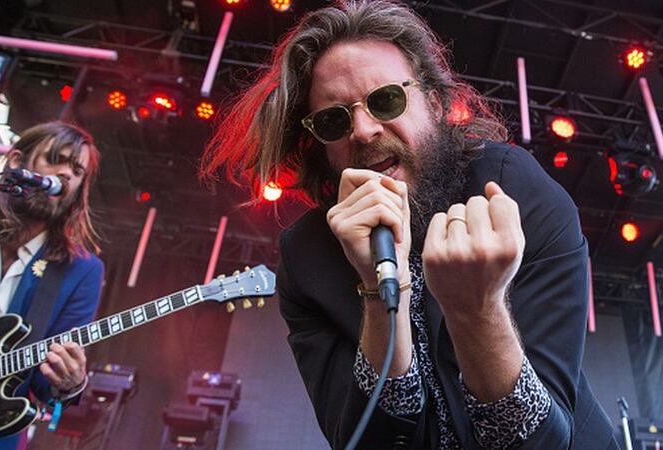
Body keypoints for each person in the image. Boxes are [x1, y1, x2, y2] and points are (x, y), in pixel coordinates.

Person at [202, 1, 618, 448]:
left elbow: (543, 441)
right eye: (333, 119)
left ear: (434, 102)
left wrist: (477, 311)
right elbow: (363, 442)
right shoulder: (307, 260)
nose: (362, 131)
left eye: (385, 100)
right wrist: (379, 291)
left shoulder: (511, 190)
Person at [0, 122, 104, 450]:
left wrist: (70, 384)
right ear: (17, 162)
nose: (65, 174)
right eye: (55, 159)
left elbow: (47, 390)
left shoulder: (82, 271)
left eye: (76, 171)